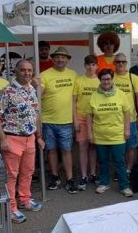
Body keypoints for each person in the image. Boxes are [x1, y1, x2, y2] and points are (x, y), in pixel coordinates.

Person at [0, 60, 44, 224]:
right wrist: (2, 139)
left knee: (28, 171)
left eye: (30, 70)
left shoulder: (32, 91)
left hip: (29, 138)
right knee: (11, 175)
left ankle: (25, 199)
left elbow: (34, 116)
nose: (27, 73)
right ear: (16, 71)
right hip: (12, 138)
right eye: (23, 70)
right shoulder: (6, 91)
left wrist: (38, 136)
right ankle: (11, 208)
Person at [86, 69, 134, 197]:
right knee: (103, 161)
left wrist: (127, 129)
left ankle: (124, 186)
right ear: (100, 80)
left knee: (119, 161)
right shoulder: (94, 95)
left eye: (108, 79)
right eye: (103, 79)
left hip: (117, 135)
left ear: (112, 79)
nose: (106, 81)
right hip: (100, 135)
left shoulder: (121, 94)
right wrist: (90, 133)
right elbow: (89, 116)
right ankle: (104, 183)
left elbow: (127, 113)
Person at [40, 47, 79, 193]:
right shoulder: (44, 75)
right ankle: (55, 177)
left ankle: (69, 179)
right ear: (53, 58)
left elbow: (77, 96)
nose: (60, 59)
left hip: (67, 121)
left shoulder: (73, 75)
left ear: (68, 60)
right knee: (51, 150)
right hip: (48, 120)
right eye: (57, 57)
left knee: (67, 150)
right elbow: (39, 92)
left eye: (63, 57)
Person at [113, 53, 138, 178]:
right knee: (118, 148)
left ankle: (128, 170)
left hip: (130, 119)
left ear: (126, 64)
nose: (120, 64)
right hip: (114, 120)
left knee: (131, 146)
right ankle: (119, 169)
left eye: (123, 62)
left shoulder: (133, 77)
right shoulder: (110, 77)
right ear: (114, 63)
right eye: (118, 62)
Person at [72, 55, 100, 191]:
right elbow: (74, 101)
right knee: (82, 147)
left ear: (97, 66)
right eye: (88, 64)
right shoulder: (79, 80)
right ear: (85, 66)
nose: (91, 67)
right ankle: (83, 175)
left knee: (93, 147)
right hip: (81, 117)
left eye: (93, 64)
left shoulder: (100, 81)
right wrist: (75, 120)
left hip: (96, 118)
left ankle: (93, 173)